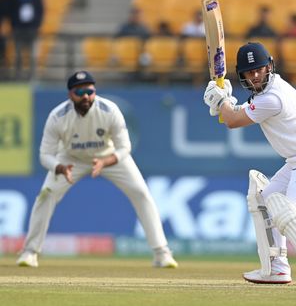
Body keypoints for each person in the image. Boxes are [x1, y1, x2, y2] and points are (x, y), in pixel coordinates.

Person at [203, 42, 296, 286]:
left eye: (259, 69)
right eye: (250, 73)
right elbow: (236, 113)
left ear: (269, 66)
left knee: (290, 212)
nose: (256, 75)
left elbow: (232, 120)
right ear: (243, 75)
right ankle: (276, 268)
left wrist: (221, 102)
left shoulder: (273, 97)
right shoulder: (265, 95)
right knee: (265, 200)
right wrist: (223, 102)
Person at [16, 70, 178, 269]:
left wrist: (106, 162)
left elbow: (124, 147)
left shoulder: (109, 110)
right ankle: (30, 252)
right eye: (80, 91)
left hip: (109, 157)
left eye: (89, 91)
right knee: (46, 195)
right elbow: (45, 155)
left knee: (142, 193)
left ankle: (162, 253)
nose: (85, 96)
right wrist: (59, 167)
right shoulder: (58, 116)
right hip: (71, 160)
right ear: (70, 95)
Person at [8, 0, 44, 80]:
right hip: (19, 29)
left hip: (32, 29)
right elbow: (12, 11)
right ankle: (18, 76)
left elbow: (40, 10)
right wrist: (14, 25)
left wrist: (36, 24)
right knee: (18, 55)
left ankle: (32, 77)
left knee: (33, 55)